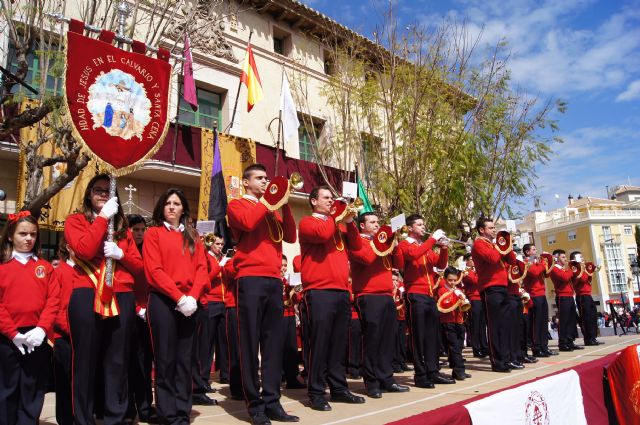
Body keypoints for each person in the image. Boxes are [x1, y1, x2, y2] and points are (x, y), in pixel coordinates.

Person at [64, 174, 144, 425]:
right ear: (89, 194)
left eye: (107, 191)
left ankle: (115, 417)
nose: (102, 194)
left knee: (117, 361)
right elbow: (85, 249)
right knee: (85, 361)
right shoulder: (75, 221)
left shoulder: (123, 229)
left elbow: (140, 268)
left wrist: (121, 254)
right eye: (97, 190)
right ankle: (83, 419)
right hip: (87, 293)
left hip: (121, 294)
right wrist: (101, 219)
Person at [227, 164, 298, 425]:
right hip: (250, 278)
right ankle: (254, 405)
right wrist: (269, 201)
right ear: (246, 183)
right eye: (259, 178)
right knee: (249, 343)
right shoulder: (237, 205)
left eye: (266, 178)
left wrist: (286, 203)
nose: (265, 182)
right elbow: (246, 223)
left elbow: (290, 235)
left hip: (273, 280)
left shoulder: (271, 210)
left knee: (272, 344)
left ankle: (272, 401)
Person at [143, 188, 209, 425]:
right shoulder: (153, 234)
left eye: (176, 203)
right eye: (167, 203)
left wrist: (192, 297)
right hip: (163, 302)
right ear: (162, 207)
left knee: (184, 361)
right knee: (165, 361)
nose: (171, 207)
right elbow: (154, 271)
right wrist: (179, 298)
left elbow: (202, 268)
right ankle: (167, 414)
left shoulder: (193, 236)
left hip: (190, 304)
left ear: (183, 209)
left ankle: (182, 411)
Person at [299, 186, 365, 411]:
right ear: (313, 201)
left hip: (340, 291)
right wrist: (338, 216)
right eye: (326, 198)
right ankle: (316, 392)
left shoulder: (337, 225)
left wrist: (350, 222)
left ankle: (339, 389)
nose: (330, 202)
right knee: (319, 343)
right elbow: (323, 234)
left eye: (331, 198)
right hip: (318, 291)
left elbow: (356, 246)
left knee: (338, 344)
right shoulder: (308, 222)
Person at [0, 211, 60, 425]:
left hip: (36, 336)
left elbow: (53, 299)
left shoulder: (43, 267)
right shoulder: (2, 267)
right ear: (10, 236)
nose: (28, 239)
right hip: (8, 338)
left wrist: (42, 329)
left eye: (33, 234)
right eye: (23, 234)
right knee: (7, 388)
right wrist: (13, 334)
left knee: (33, 387)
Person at [350, 212, 410, 398]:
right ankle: (371, 381)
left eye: (378, 222)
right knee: (372, 339)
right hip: (368, 295)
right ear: (362, 226)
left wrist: (395, 243)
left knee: (387, 339)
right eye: (373, 222)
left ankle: (387, 378)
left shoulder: (383, 243)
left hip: (386, 295)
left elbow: (399, 265)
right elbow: (366, 259)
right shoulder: (358, 241)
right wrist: (384, 240)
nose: (377, 225)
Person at [395, 214, 453, 387]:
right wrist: (433, 239)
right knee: (418, 336)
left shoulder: (425, 247)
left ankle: (433, 370)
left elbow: (440, 265)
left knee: (432, 336)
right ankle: (420, 375)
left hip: (428, 295)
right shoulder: (405, 244)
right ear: (410, 228)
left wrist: (443, 248)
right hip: (415, 294)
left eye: (423, 224)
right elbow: (413, 255)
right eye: (419, 224)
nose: (423, 227)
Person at [470, 217, 517, 373]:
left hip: (503, 287)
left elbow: (512, 260)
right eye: (491, 228)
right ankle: (498, 361)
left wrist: (508, 244)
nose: (494, 230)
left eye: (494, 227)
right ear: (482, 230)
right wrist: (499, 245)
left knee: (505, 326)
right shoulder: (479, 244)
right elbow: (492, 258)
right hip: (490, 288)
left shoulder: (493, 244)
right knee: (495, 326)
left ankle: (506, 358)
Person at [125, 214, 158, 424]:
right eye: (134, 229)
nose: (138, 233)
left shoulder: (149, 251)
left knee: (145, 364)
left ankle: (146, 407)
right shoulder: (124, 253)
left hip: (147, 314)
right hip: (128, 312)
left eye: (141, 229)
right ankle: (127, 409)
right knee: (127, 364)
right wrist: (136, 308)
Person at [52, 236, 77, 425]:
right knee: (64, 384)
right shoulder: (59, 272)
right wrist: (71, 330)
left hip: (84, 338)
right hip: (65, 338)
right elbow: (55, 308)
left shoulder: (87, 272)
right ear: (68, 248)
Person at [437, 267, 471, 381]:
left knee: (459, 346)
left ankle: (456, 370)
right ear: (445, 279)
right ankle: (459, 370)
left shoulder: (458, 290)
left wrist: (464, 299)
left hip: (459, 321)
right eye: (450, 280)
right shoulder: (442, 290)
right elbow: (445, 303)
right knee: (454, 346)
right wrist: (456, 296)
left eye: (454, 280)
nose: (452, 282)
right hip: (448, 321)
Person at [522, 244, 555, 357]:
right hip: (534, 295)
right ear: (527, 252)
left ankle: (544, 346)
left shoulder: (537, 262)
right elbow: (534, 272)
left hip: (541, 294)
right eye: (533, 249)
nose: (536, 251)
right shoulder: (527, 262)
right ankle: (536, 347)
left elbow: (547, 274)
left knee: (543, 322)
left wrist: (548, 261)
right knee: (536, 323)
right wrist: (543, 263)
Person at [549, 249, 583, 352]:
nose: (566, 259)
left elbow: (573, 279)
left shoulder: (564, 269)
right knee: (564, 321)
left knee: (571, 320)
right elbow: (564, 277)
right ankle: (563, 343)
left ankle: (570, 341)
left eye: (565, 257)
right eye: (563, 257)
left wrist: (577, 270)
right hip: (562, 296)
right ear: (557, 258)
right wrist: (571, 269)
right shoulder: (555, 268)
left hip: (569, 295)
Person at [281, 255, 304, 389]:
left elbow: (295, 300)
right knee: (279, 348)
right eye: (281, 265)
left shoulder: (287, 280)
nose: (283, 268)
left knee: (291, 348)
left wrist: (295, 291)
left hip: (289, 315)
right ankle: (279, 375)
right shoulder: (277, 281)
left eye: (285, 265)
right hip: (279, 316)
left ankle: (292, 378)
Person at [570, 251, 601, 346]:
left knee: (592, 316)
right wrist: (582, 268)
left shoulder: (582, 268)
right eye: (580, 257)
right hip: (582, 296)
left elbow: (588, 280)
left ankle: (593, 337)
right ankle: (588, 338)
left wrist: (590, 269)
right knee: (586, 318)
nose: (583, 258)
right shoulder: (575, 268)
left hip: (588, 294)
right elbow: (582, 279)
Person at [461, 254, 488, 358]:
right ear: (467, 261)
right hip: (473, 299)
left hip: (481, 298)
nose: (474, 261)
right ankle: (477, 348)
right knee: (475, 325)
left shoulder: (477, 271)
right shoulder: (466, 272)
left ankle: (484, 347)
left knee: (482, 324)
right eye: (471, 260)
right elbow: (474, 281)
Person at [391, 271, 410, 373]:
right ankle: (394, 364)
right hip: (393, 318)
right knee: (394, 342)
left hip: (402, 317)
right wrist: (394, 290)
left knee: (402, 341)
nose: (395, 282)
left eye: (396, 280)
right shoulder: (390, 290)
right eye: (393, 280)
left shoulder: (400, 287)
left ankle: (402, 362)